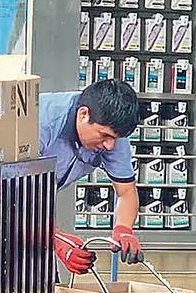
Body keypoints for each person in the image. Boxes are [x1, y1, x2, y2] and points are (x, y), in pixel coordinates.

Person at [39, 79, 143, 275]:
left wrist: (123, 229)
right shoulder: (42, 123)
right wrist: (53, 238)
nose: (110, 146)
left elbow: (126, 191)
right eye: (104, 136)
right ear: (83, 114)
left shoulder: (112, 133)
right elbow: (12, 191)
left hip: (36, 201)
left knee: (44, 287)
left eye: (115, 139)